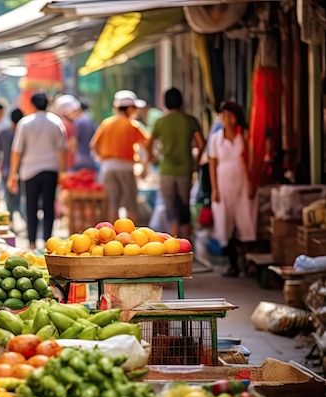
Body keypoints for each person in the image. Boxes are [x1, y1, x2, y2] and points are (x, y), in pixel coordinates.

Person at [8, 93, 67, 250]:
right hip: (51, 169)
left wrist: (13, 173)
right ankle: (49, 242)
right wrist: (62, 171)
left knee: (31, 206)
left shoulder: (25, 123)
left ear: (32, 105)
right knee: (49, 206)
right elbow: (61, 149)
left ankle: (32, 242)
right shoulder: (56, 122)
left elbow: (16, 150)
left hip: (30, 170)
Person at [148, 87, 206, 238]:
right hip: (185, 169)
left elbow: (148, 144)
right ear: (181, 101)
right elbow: (201, 144)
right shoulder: (190, 120)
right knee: (184, 206)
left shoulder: (160, 122)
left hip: (166, 170)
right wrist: (197, 162)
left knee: (170, 208)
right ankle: (186, 242)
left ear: (165, 103)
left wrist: (152, 157)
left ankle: (173, 241)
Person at [209, 101, 256, 277]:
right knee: (224, 222)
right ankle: (233, 264)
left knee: (246, 220)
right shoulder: (216, 139)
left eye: (230, 115)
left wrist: (252, 184)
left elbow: (251, 162)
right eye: (224, 115)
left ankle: (247, 262)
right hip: (223, 184)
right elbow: (212, 164)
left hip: (243, 183)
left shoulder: (244, 136)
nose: (227, 119)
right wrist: (214, 189)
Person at [90, 90, 151, 223]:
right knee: (130, 204)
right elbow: (147, 144)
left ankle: (113, 238)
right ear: (129, 108)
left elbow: (93, 145)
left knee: (112, 204)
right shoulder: (132, 125)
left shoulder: (106, 123)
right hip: (126, 168)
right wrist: (146, 165)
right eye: (134, 108)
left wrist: (102, 158)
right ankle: (131, 236)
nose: (136, 111)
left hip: (107, 168)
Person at [0, 108, 24, 216]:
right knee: (19, 197)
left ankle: (12, 218)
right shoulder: (23, 132)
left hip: (7, 170)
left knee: (9, 197)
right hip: (21, 170)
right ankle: (18, 218)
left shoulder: (4, 133)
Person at [55, 95, 96, 171]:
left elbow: (73, 145)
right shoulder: (88, 118)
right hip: (90, 159)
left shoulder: (77, 122)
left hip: (78, 161)